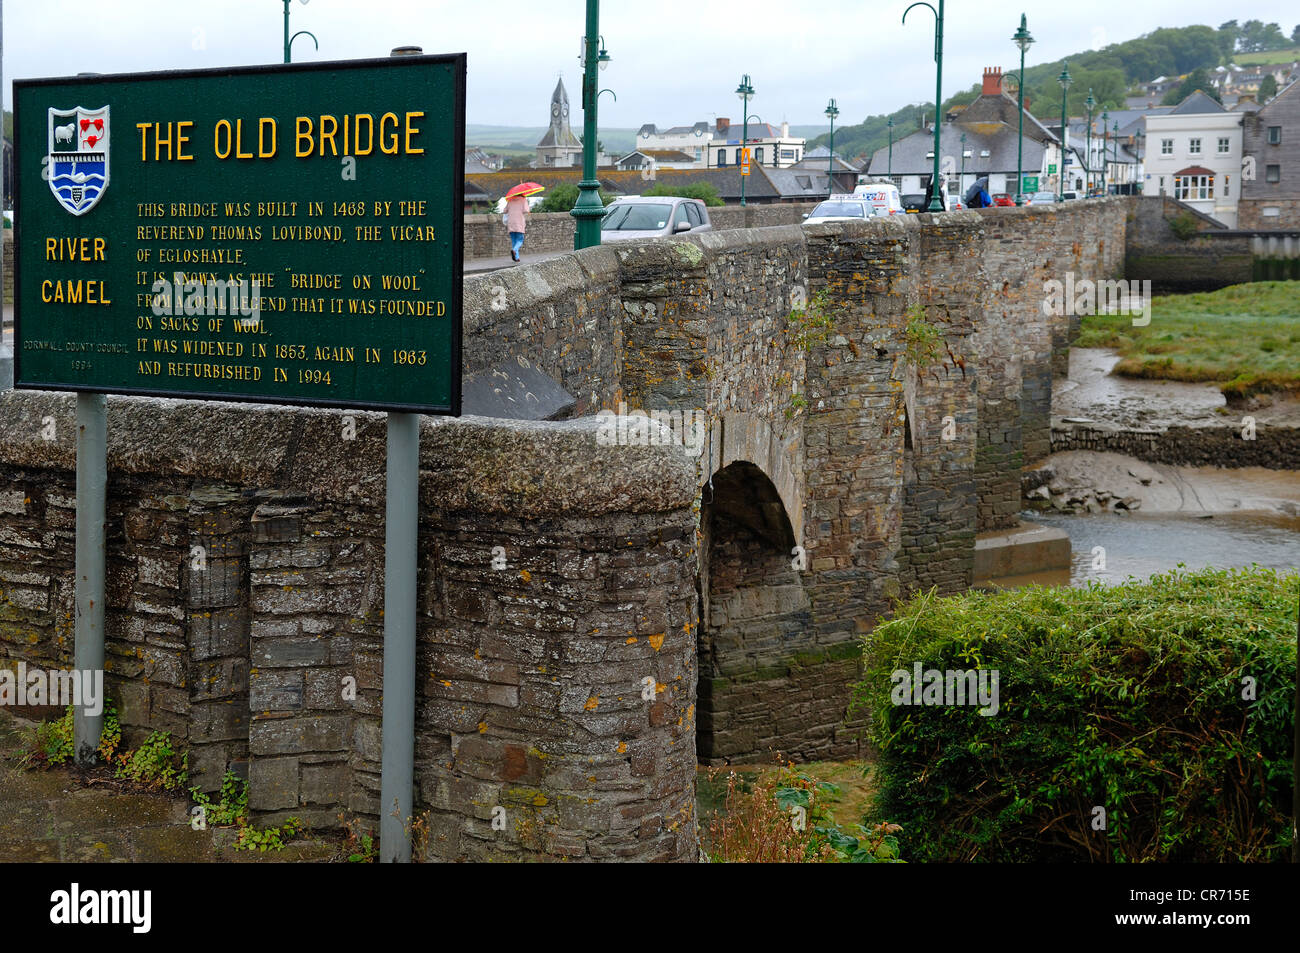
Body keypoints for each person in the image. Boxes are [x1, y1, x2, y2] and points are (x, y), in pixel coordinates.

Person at [505, 193, 528, 262]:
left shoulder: (510, 200)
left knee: (514, 241)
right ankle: (514, 250)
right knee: (520, 240)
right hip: (519, 223)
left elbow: (505, 210)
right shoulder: (523, 200)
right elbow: (526, 210)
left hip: (511, 223)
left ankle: (517, 257)